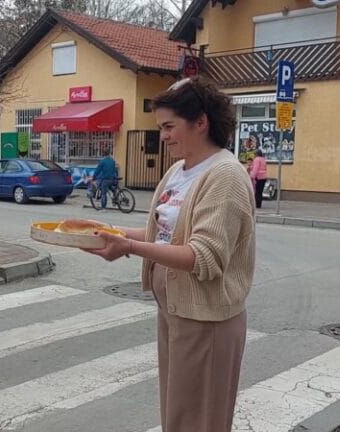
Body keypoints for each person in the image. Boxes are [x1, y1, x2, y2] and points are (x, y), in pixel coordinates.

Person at [84, 76, 256, 432]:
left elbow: (204, 256)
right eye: (160, 127)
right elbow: (162, 235)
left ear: (201, 122)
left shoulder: (225, 174)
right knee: (178, 416)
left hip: (207, 320)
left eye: (168, 126)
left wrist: (129, 247)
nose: (163, 136)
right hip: (176, 311)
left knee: (201, 421)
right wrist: (110, 233)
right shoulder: (179, 170)